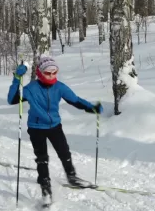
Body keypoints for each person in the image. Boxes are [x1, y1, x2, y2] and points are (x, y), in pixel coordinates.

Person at [7, 55, 103, 203]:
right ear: (40, 72)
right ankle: (45, 186)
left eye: (54, 72)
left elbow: (75, 100)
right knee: (42, 158)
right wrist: (17, 77)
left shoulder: (59, 87)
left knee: (64, 151)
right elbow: (12, 99)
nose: (51, 76)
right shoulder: (31, 89)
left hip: (54, 126)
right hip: (36, 127)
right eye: (47, 73)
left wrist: (92, 108)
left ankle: (72, 176)